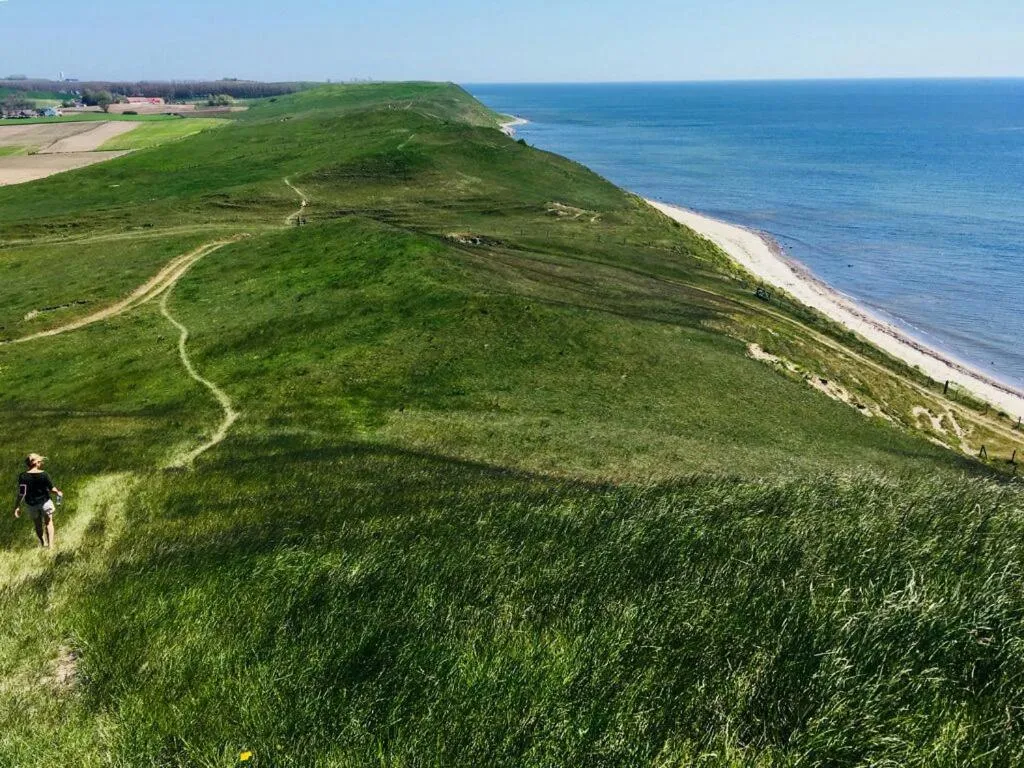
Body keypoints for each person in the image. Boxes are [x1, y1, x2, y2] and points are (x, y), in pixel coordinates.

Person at [12, 453, 62, 549]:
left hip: (32, 505)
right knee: (48, 523)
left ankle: (43, 543)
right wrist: (58, 493)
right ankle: (50, 546)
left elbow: (22, 493)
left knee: (38, 525)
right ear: (37, 463)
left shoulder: (23, 476)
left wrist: (17, 506)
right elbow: (52, 489)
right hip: (45, 503)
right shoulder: (44, 475)